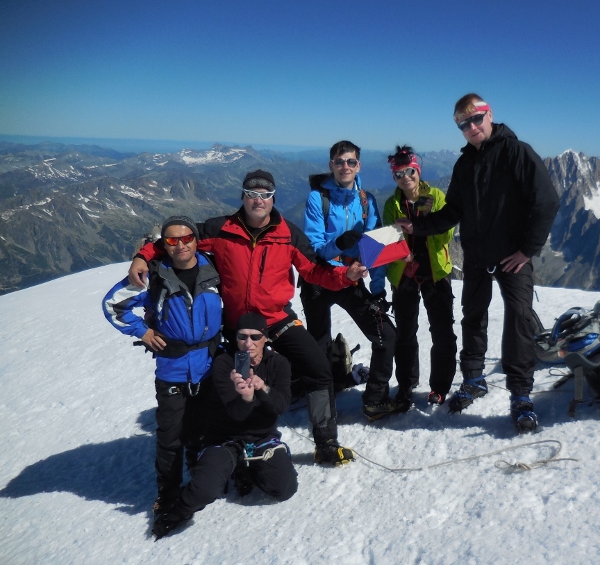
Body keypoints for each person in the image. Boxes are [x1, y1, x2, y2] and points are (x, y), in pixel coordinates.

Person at [128, 170, 365, 466]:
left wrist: (346, 275)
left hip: (275, 318)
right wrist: (143, 255)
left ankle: (326, 442)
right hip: (234, 322)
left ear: (273, 198)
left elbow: (315, 271)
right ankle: (214, 439)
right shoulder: (220, 229)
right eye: (252, 193)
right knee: (217, 378)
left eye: (265, 194)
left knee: (318, 368)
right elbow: (178, 240)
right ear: (242, 196)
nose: (258, 200)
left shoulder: (288, 234)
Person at [397, 94, 560, 432]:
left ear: (490, 116)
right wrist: (418, 227)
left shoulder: (517, 152)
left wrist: (527, 250)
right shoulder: (464, 164)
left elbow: (547, 201)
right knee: (473, 313)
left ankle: (520, 394)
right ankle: (473, 379)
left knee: (518, 317)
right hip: (476, 254)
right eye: (463, 123)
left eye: (476, 119)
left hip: (513, 256)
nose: (471, 127)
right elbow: (453, 211)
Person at [103, 215, 223, 516]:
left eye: (186, 238)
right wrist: (142, 332)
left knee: (201, 428)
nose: (180, 244)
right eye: (172, 240)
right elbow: (113, 304)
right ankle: (168, 493)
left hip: (209, 364)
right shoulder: (153, 277)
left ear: (196, 240)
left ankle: (199, 477)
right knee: (171, 437)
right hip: (173, 368)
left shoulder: (215, 270)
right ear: (163, 245)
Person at [151, 313, 299, 540]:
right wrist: (246, 398)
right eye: (242, 337)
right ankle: (177, 511)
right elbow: (236, 413)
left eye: (255, 337)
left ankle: (249, 469)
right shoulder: (224, 364)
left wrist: (262, 388)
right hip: (224, 438)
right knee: (204, 490)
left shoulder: (279, 363)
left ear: (265, 338)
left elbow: (281, 405)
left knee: (283, 488)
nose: (248, 343)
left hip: (262, 438)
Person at [301, 140, 400, 421]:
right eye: (339, 161)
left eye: (351, 162)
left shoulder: (366, 200)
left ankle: (375, 400)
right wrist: (340, 245)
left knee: (386, 335)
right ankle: (323, 412)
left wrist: (378, 289)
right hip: (320, 277)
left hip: (352, 279)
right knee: (318, 347)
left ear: (359, 166)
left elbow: (375, 247)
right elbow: (315, 245)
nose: (345, 166)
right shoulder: (317, 197)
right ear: (331, 165)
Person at [382, 145, 457, 406]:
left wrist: (425, 222)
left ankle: (440, 386)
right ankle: (406, 384)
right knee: (405, 333)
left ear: (418, 171)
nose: (405, 177)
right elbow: (389, 240)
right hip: (404, 275)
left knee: (442, 331)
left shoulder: (436, 196)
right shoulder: (392, 203)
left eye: (409, 171)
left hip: (436, 273)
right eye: (399, 174)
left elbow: (447, 234)